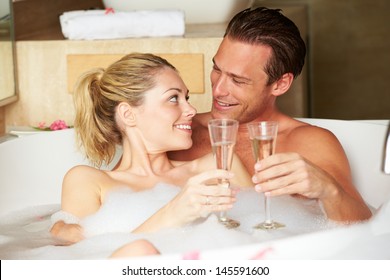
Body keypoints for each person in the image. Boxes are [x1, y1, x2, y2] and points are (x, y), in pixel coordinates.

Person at [168, 7, 372, 222]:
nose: (218, 89)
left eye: (238, 80)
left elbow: (363, 225)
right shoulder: (180, 133)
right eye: (217, 69)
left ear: (280, 84)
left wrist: (327, 190)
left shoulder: (309, 143)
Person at [50, 53, 251, 247]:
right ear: (128, 114)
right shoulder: (90, 181)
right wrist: (173, 214)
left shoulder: (218, 166)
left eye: (186, 98)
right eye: (173, 98)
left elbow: (267, 231)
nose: (191, 110)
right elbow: (91, 263)